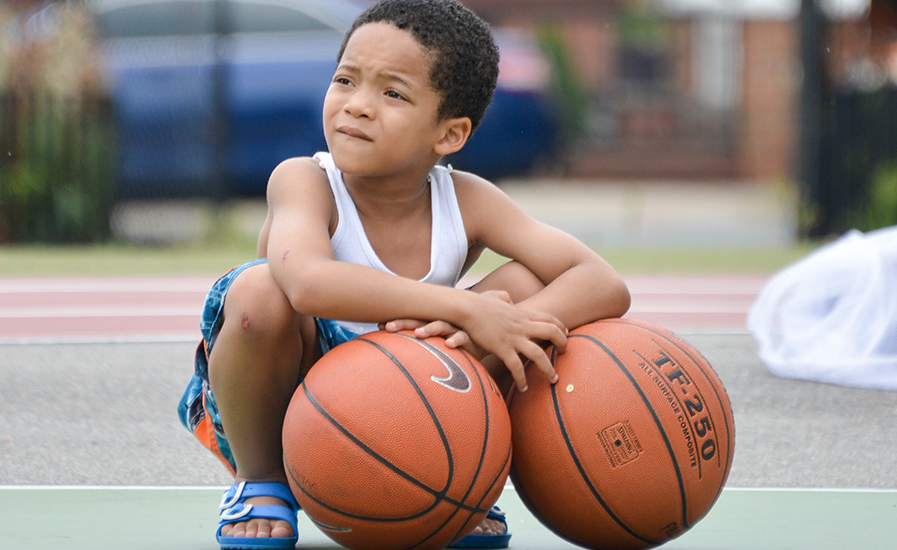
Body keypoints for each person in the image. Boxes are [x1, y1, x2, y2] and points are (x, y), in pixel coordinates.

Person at [176, 0, 631, 547]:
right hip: (293, 396)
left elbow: (604, 283)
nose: (357, 106)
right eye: (346, 80)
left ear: (449, 134)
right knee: (258, 290)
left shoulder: (468, 200)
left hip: (414, 405)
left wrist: (507, 322)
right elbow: (308, 283)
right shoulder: (303, 181)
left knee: (525, 289)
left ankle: (458, 478)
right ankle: (261, 482)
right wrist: (463, 308)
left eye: (392, 93)